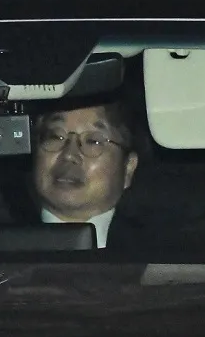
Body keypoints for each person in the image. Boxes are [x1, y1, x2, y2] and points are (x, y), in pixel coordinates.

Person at [32, 94, 139, 248]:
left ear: (128, 167)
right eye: (56, 136)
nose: (69, 155)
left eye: (93, 141)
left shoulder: (161, 249)